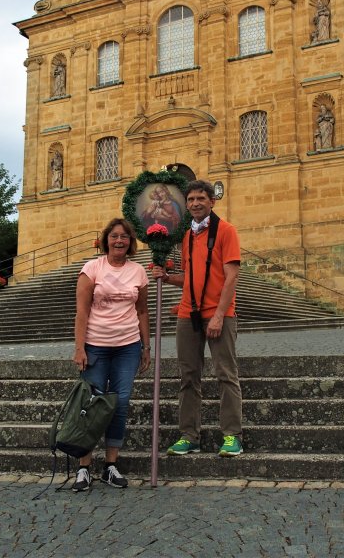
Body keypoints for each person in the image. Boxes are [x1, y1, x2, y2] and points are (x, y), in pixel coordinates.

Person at [151, 180, 243, 457]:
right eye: (190, 199)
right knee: (188, 377)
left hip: (219, 314)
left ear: (212, 201)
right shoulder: (187, 236)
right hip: (188, 314)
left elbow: (231, 277)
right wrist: (167, 278)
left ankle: (231, 435)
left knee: (226, 374)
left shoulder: (226, 230)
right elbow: (193, 276)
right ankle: (189, 435)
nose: (195, 203)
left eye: (200, 198)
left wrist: (217, 316)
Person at [72, 217, 151, 492]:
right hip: (96, 345)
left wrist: (146, 346)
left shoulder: (139, 272)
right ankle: (83, 466)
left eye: (125, 237)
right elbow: (82, 311)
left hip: (128, 347)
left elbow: (142, 311)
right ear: (106, 239)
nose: (119, 241)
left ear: (131, 242)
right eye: (115, 236)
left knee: (120, 403)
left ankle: (110, 466)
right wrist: (79, 347)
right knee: (91, 404)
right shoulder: (91, 268)